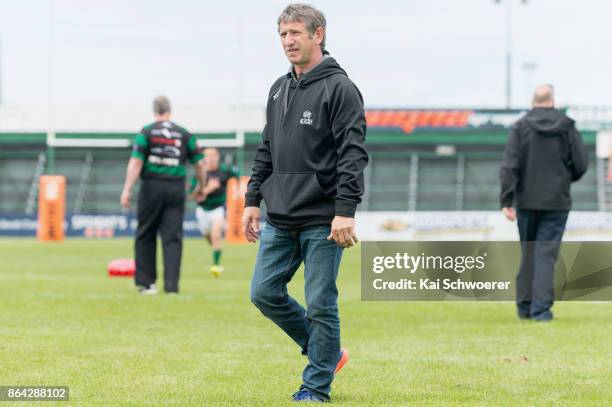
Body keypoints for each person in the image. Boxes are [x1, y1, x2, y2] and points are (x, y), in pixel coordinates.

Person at [242, 4, 368, 403]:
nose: (288, 41)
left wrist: (345, 210)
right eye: (282, 34)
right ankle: (328, 354)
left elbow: (353, 153)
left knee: (320, 304)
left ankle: (314, 388)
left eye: (295, 33)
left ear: (318, 34)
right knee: (263, 293)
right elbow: (267, 148)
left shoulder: (341, 88)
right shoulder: (278, 88)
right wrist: (251, 200)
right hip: (280, 215)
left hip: (322, 218)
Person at [500, 84, 588, 321]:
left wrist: (507, 199)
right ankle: (541, 310)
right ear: (552, 99)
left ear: (533, 100)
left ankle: (525, 308)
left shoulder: (520, 127)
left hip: (526, 201)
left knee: (529, 252)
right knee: (546, 254)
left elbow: (509, 165)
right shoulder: (567, 126)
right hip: (557, 201)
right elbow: (581, 164)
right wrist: (563, 179)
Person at [120, 96, 206, 294]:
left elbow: (136, 162)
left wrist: (127, 189)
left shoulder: (147, 132)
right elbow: (199, 164)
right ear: (169, 110)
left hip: (151, 186)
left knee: (145, 234)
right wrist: (201, 186)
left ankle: (147, 284)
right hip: (176, 188)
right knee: (173, 238)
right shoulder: (185, 134)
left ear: (154, 110)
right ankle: (171, 287)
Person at [190, 147, 239, 277]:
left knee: (216, 235)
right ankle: (216, 248)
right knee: (208, 236)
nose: (210, 158)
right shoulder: (199, 173)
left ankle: (216, 265)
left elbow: (237, 175)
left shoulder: (224, 170)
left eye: (213, 155)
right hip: (203, 209)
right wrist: (207, 189)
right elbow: (194, 196)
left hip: (218, 208)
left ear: (218, 157)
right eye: (207, 155)